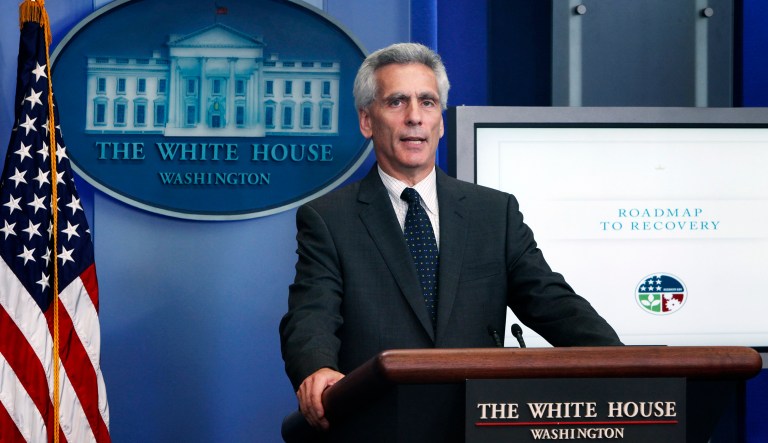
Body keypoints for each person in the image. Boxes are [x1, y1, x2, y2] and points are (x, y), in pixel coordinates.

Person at [279, 42, 622, 431]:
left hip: (479, 424)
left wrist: (627, 364)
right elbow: (312, 313)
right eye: (396, 102)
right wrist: (318, 367)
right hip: (380, 425)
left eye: (427, 102)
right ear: (366, 120)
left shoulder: (494, 213)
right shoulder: (329, 218)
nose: (414, 118)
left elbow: (553, 302)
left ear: (441, 121)